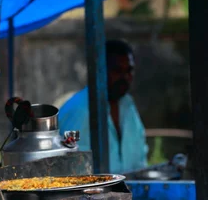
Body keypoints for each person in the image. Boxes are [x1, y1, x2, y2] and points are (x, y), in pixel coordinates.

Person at [58, 40, 147, 174]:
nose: (125, 77)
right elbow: (70, 169)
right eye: (117, 71)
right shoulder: (79, 110)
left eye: (129, 70)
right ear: (100, 71)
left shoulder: (128, 106)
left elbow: (140, 159)